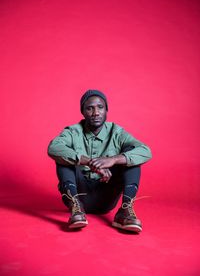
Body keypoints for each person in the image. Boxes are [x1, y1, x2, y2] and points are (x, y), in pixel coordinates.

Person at [48, 89, 152, 232]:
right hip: (79, 194)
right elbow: (54, 147)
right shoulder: (73, 131)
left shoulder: (117, 132)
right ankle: (76, 209)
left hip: (106, 196)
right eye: (89, 108)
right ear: (83, 112)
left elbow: (145, 150)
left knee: (130, 157)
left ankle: (125, 210)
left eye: (100, 107)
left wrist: (114, 159)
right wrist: (90, 162)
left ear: (106, 110)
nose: (96, 112)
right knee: (64, 157)